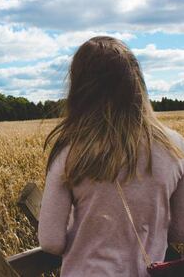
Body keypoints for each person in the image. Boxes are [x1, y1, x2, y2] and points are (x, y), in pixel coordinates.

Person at [38, 36, 184, 277]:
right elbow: (179, 230)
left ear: (81, 87)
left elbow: (51, 241)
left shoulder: (70, 150)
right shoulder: (175, 145)